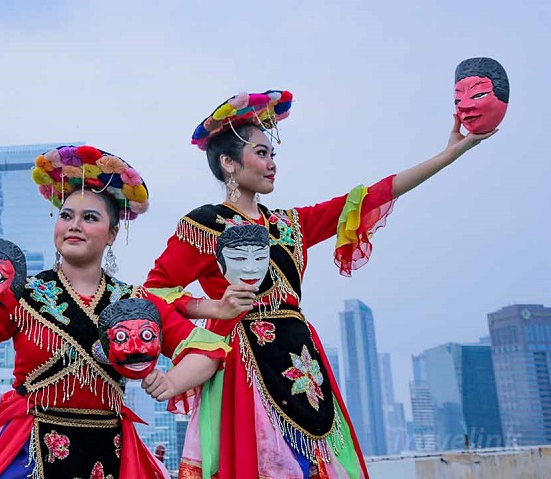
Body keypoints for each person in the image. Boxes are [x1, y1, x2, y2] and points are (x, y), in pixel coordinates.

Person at [144, 90, 497, 478]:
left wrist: (448, 155)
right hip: (244, 360)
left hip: (301, 358)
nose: (272, 164)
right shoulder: (205, 225)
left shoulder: (289, 224)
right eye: (261, 153)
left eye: (272, 154)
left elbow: (367, 198)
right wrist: (213, 308)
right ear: (228, 162)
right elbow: (154, 291)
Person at [0, 145, 229, 479]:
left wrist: (171, 381)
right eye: (66, 216)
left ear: (112, 234)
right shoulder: (22, 294)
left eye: (89, 218)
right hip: (31, 449)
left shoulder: (134, 301)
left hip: (108, 452)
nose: (74, 225)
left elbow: (207, 349)